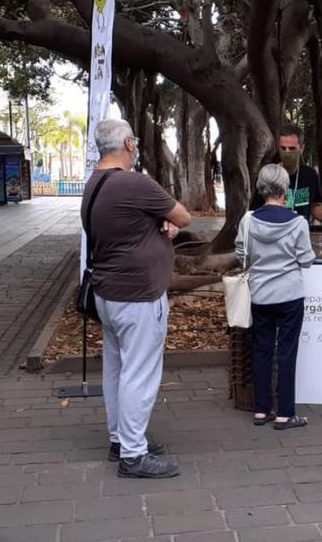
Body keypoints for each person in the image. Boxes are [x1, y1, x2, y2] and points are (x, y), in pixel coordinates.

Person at [82, 119, 191, 478]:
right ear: (129, 144)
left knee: (116, 370)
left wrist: (161, 226)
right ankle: (133, 454)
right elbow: (184, 216)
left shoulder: (94, 184)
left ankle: (121, 439)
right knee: (139, 374)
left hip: (108, 293)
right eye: (136, 141)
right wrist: (169, 223)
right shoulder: (134, 183)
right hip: (139, 295)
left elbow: (135, 226)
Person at [236, 164, 316, 431]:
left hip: (260, 295)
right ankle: (285, 413)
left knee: (261, 351)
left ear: (260, 188)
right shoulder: (298, 222)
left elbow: (241, 254)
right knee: (287, 352)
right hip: (290, 296)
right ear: (285, 189)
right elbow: (306, 260)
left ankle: (261, 410)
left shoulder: (248, 220)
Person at [250, 123, 322, 233]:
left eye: (292, 148)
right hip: (274, 237)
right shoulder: (268, 176)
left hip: (300, 237)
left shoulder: (310, 175)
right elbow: (255, 211)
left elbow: (315, 205)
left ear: (302, 148)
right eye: (283, 148)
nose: (287, 152)